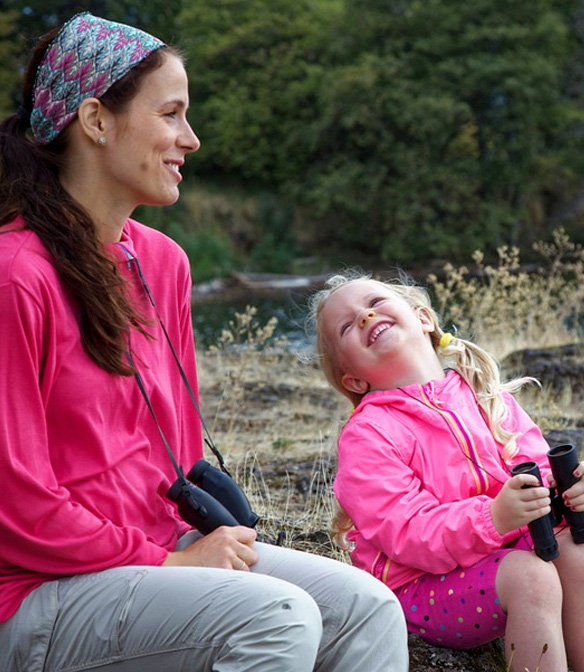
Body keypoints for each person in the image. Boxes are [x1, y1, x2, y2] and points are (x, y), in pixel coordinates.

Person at [0, 13, 407, 672]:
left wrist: (187, 547)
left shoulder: (163, 264)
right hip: (37, 593)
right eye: (171, 114)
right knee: (277, 618)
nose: (189, 140)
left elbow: (179, 453)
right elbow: (14, 504)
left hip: (158, 553)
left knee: (368, 607)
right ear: (97, 121)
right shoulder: (15, 275)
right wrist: (168, 561)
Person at [309, 270, 584, 672]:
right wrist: (492, 518)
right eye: (348, 326)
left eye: (374, 304)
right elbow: (406, 531)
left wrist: (573, 495)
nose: (366, 318)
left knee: (582, 550)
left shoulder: (483, 394)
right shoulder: (368, 435)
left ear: (422, 318)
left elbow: (540, 471)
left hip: (495, 557)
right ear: (353, 378)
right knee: (531, 577)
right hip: (419, 587)